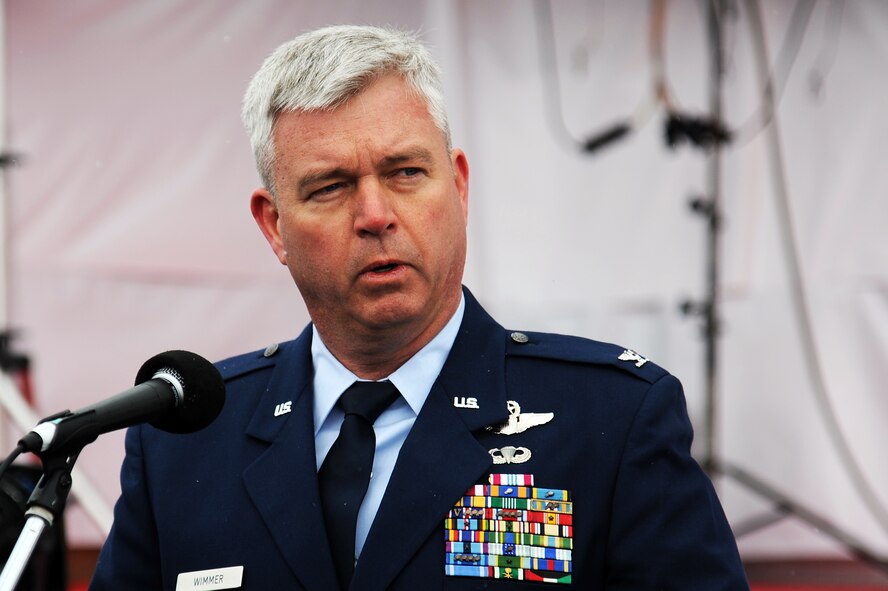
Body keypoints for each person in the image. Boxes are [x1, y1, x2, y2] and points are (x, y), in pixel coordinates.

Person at [90, 25, 749, 590]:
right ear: (273, 226)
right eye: (330, 186)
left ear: (458, 186)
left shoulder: (610, 420)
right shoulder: (184, 441)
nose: (376, 215)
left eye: (406, 172)